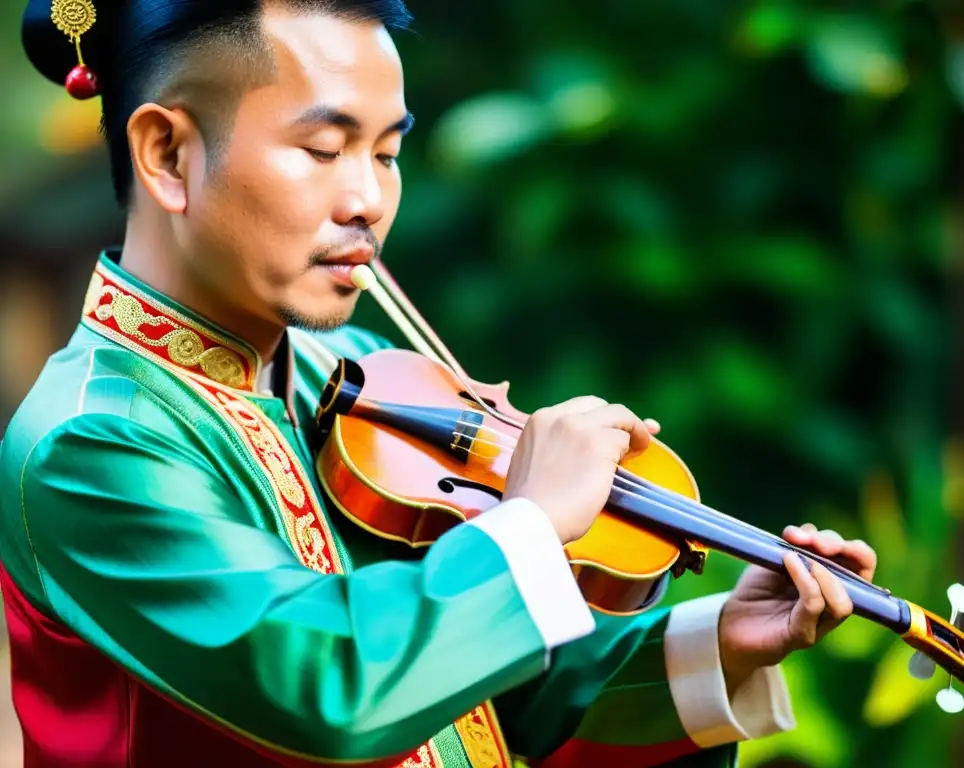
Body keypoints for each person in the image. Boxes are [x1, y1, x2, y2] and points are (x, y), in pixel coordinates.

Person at [0, 1, 879, 766]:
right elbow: (333, 690)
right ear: (166, 154)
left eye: (385, 154)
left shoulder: (356, 373)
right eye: (323, 148)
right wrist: (529, 523)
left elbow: (483, 697)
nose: (367, 201)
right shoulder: (92, 444)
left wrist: (716, 643)